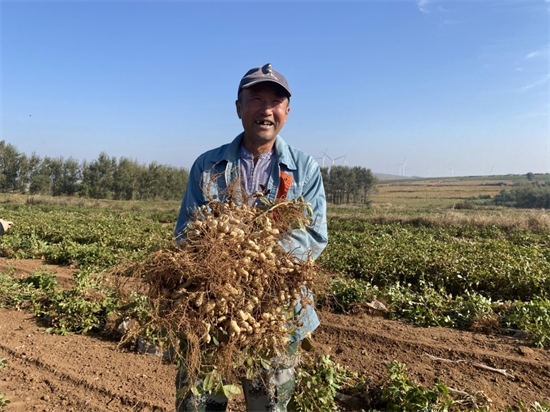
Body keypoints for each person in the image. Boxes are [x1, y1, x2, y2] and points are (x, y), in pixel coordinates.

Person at [174, 63, 328, 412]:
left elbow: (315, 235)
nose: (266, 109)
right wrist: (221, 265)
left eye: (275, 101)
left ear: (287, 111)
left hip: (277, 315)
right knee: (198, 404)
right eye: (255, 99)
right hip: (211, 312)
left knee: (269, 407)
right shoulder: (208, 166)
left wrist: (258, 261)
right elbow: (186, 232)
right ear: (239, 108)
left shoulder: (304, 169)